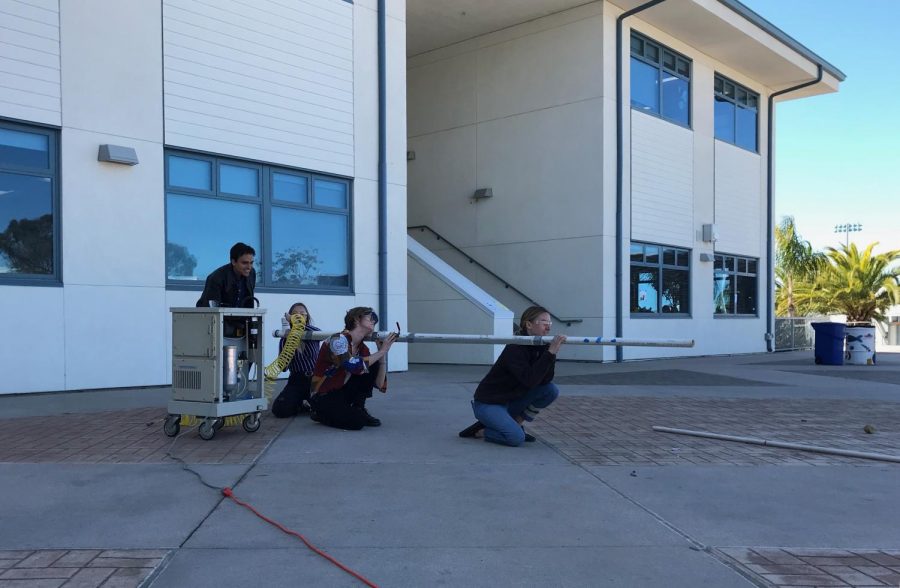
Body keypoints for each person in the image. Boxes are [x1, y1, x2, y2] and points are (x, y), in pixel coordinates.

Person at [458, 306, 566, 447]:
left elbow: (545, 380)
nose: (549, 326)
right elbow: (529, 380)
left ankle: (516, 423)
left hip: (511, 401)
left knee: (550, 390)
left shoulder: (542, 345)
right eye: (544, 321)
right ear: (528, 324)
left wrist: (550, 354)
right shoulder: (515, 347)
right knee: (515, 438)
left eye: (550, 322)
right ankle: (484, 431)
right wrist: (550, 353)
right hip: (489, 403)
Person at [309, 307, 398, 430]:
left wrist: (381, 356)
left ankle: (358, 407)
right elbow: (353, 366)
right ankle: (319, 413)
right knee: (357, 422)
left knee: (372, 363)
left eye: (375, 320)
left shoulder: (363, 348)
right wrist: (382, 351)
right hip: (324, 395)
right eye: (371, 317)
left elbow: (379, 383)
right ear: (356, 319)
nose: (374, 321)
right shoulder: (337, 340)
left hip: (342, 392)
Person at [271, 302, 321, 418]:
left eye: (302, 314)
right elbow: (283, 368)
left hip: (315, 378)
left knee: (323, 407)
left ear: (307, 317)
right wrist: (289, 344)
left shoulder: (313, 333)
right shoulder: (285, 338)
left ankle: (310, 402)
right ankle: (299, 404)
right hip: (297, 378)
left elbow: (318, 331)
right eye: (294, 314)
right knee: (280, 410)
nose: (298, 317)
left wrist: (296, 323)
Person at [196, 242, 256, 308]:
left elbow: (249, 301)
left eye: (251, 263)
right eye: (245, 263)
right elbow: (211, 309)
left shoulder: (252, 273)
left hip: (241, 316)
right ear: (233, 262)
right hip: (218, 316)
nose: (249, 267)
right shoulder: (216, 278)